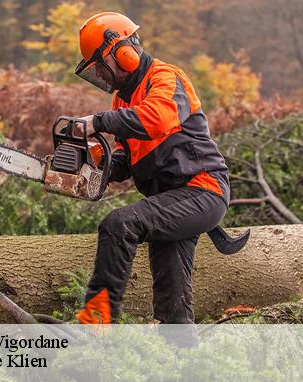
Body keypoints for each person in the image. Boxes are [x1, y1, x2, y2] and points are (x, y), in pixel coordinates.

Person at [73, 12, 230, 325]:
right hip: (172, 201)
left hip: (202, 189)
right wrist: (94, 166)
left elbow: (156, 119)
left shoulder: (165, 77)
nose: (102, 76)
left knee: (120, 224)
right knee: (172, 298)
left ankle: (96, 323)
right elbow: (127, 159)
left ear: (124, 53)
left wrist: (98, 122)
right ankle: (182, 356)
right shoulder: (122, 101)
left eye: (101, 67)